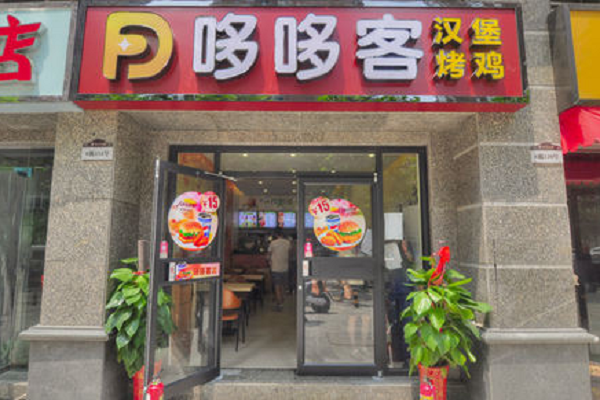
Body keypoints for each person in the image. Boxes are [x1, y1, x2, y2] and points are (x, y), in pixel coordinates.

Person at [268, 230, 291, 311]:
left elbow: (269, 254)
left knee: (277, 286)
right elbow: (290, 253)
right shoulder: (288, 243)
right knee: (283, 286)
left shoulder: (273, 243)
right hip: (285, 267)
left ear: (276, 235)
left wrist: (269, 261)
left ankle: (279, 304)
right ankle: (282, 300)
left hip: (275, 268)